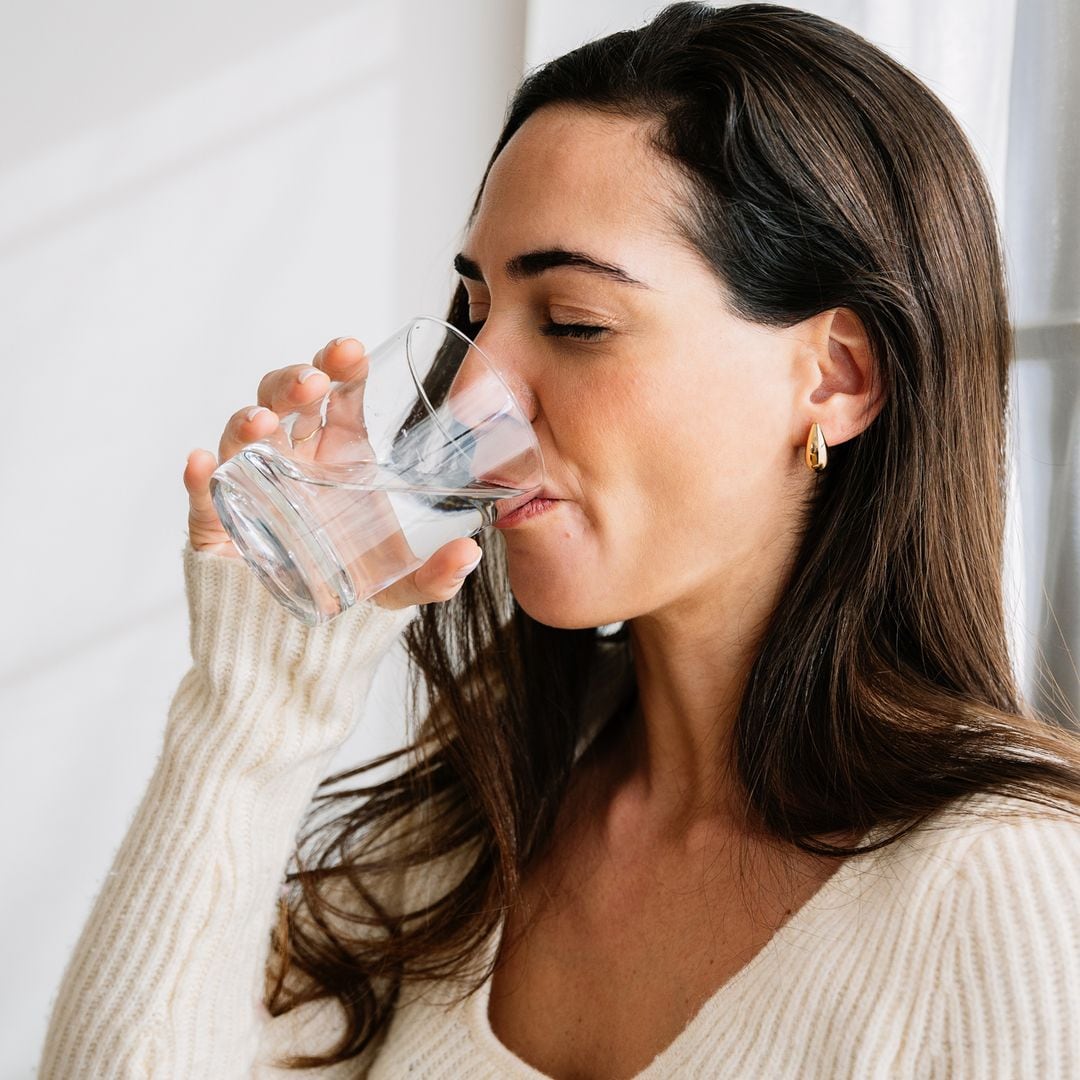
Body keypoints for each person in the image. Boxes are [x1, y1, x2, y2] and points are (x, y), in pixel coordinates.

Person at [41, 3, 1080, 1077]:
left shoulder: (1015, 895)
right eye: (473, 313)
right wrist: (259, 694)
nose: (466, 400)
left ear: (836, 377)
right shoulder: (470, 832)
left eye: (576, 322)